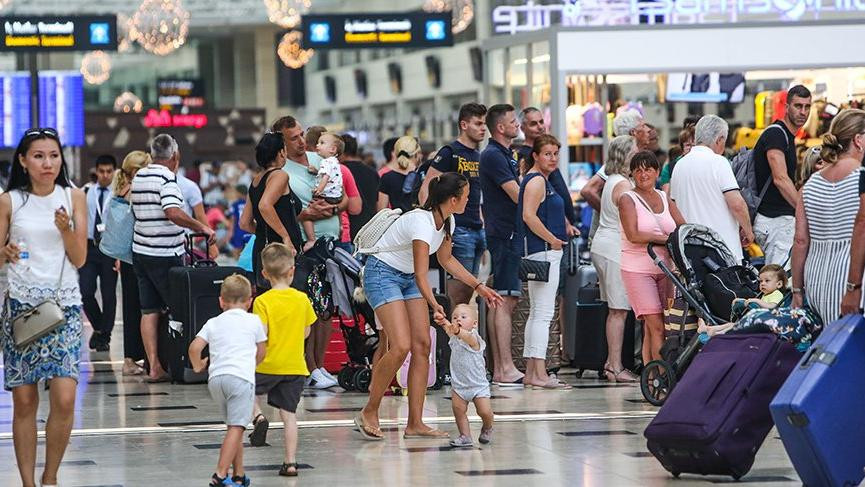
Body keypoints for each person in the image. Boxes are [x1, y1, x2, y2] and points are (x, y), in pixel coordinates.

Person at [354, 172, 502, 441]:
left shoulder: (448, 221)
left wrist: (479, 286)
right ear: (453, 199)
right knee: (400, 345)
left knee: (422, 345)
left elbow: (447, 261)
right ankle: (369, 410)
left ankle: (415, 423)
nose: (469, 201)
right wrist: (435, 305)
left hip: (408, 276)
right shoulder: (421, 223)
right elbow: (424, 275)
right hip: (382, 273)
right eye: (467, 197)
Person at [0, 127, 87, 487]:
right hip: (20, 306)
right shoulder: (9, 201)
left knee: (65, 398)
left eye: (53, 155)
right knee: (24, 401)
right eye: (38, 156)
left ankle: (50, 477)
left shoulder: (74, 196)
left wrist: (66, 229)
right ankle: (27, 482)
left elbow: (80, 257)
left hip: (63, 306)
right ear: (23, 160)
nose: (47, 163)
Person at [131, 134, 214, 382]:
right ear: (175, 157)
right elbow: (173, 212)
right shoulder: (167, 178)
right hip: (166, 254)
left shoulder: (139, 176)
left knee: (149, 311)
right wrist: (202, 227)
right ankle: (184, 364)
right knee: (179, 310)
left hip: (140, 251)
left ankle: (155, 366)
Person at [273, 115, 347, 390]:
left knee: (327, 307)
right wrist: (308, 213)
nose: (302, 141)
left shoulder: (322, 161)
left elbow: (346, 198)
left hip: (331, 242)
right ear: (282, 142)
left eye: (302, 134)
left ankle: (320, 364)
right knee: (309, 310)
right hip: (307, 244)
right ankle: (307, 365)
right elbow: (286, 211)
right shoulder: (284, 173)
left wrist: (332, 209)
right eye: (293, 138)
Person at [244, 243, 315, 477]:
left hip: (268, 363)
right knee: (289, 416)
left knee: (248, 389)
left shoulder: (262, 302)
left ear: (264, 274)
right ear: (292, 271)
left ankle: (258, 416)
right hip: (295, 365)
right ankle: (290, 463)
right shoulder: (302, 299)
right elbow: (306, 333)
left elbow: (260, 334)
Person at [188, 274, 266, 487]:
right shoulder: (253, 320)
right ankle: (220, 475)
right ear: (250, 301)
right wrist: (252, 365)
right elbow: (261, 351)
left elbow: (194, 348)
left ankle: (239, 474)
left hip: (216, 381)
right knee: (237, 427)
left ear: (221, 301)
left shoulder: (213, 322)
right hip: (241, 378)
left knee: (234, 426)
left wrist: (198, 366)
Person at [791, 109, 865, 321]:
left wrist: (797, 291)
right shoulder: (861, 178)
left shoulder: (810, 185)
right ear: (858, 140)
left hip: (816, 282)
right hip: (852, 280)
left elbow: (800, 240)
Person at [618, 151, 686, 364]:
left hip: (664, 269)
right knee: (655, 324)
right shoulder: (627, 199)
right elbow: (633, 234)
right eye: (638, 170)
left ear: (657, 172)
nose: (643, 174)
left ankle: (650, 376)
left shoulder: (665, 197)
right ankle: (662, 377)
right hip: (637, 269)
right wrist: (665, 239)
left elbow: (682, 227)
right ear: (632, 174)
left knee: (658, 326)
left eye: (648, 169)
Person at [517, 134, 571, 389]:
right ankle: (538, 373)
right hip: (544, 252)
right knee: (543, 313)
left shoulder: (538, 180)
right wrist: (553, 240)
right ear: (536, 156)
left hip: (543, 251)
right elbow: (529, 216)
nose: (553, 158)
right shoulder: (537, 181)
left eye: (555, 153)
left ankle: (532, 371)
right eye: (547, 153)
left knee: (537, 313)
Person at [419, 103, 487, 307]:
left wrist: (482, 222)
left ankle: (460, 334)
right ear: (464, 125)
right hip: (458, 229)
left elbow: (476, 194)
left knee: (468, 292)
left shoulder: (477, 155)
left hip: (476, 227)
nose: (483, 128)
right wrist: (433, 223)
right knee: (458, 293)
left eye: (484, 123)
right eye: (478, 123)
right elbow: (427, 187)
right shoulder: (450, 152)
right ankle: (450, 334)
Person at [479, 103, 525, 386]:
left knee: (509, 298)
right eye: (512, 121)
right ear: (500, 127)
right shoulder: (494, 156)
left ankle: (503, 367)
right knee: (504, 299)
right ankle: (504, 368)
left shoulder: (505, 154)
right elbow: (517, 194)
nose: (516, 123)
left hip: (508, 232)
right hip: (504, 233)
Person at [671, 115, 753, 262]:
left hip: (690, 250)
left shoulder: (679, 165)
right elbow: (737, 204)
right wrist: (748, 231)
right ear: (719, 139)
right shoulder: (719, 162)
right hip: (722, 250)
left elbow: (674, 206)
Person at [589, 135, 638, 382]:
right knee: (619, 310)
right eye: (635, 150)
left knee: (613, 309)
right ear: (626, 155)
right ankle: (616, 367)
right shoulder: (624, 186)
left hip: (602, 244)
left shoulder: (612, 181)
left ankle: (611, 362)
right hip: (614, 248)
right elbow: (633, 220)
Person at [753, 85, 812, 266]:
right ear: (786, 107)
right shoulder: (776, 134)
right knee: (780, 283)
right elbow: (780, 179)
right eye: (798, 106)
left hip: (779, 221)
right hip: (774, 221)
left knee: (783, 280)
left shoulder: (787, 136)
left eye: (807, 107)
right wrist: (804, 211)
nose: (803, 112)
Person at [239, 132, 304, 290]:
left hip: (262, 249)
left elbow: (244, 223)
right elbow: (265, 205)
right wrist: (285, 236)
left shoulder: (256, 180)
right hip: (282, 253)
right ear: (281, 152)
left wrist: (263, 232)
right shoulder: (280, 175)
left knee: (267, 301)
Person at [112, 151, 151, 376]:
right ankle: (132, 358)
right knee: (141, 306)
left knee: (135, 306)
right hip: (136, 254)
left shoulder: (121, 191)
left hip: (130, 255)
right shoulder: (132, 191)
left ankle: (136, 357)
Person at [440, 304, 494, 448]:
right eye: (455, 317)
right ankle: (465, 435)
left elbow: (465, 336)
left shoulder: (474, 338)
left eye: (464, 317)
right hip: (459, 386)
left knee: (484, 411)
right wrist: (443, 321)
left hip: (478, 386)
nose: (458, 319)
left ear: (474, 323)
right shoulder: (454, 337)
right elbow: (449, 330)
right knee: (458, 410)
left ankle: (488, 426)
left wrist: (457, 330)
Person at [80, 154, 119, 352]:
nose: (105, 175)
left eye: (109, 171)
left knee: (108, 293)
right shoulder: (85, 191)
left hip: (110, 248)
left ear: (114, 171)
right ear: (96, 171)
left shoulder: (119, 194)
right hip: (89, 247)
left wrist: (120, 254)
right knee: (85, 291)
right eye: (101, 171)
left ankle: (105, 335)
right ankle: (100, 329)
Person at [341, 133, 380, 240]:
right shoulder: (372, 172)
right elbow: (377, 203)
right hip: (370, 230)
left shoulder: (339, 172)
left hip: (349, 230)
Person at [378, 135, 421, 212]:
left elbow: (381, 210)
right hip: (419, 222)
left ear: (396, 153)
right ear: (416, 154)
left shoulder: (387, 177)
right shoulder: (423, 175)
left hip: (397, 222)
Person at [659, 125, 695, 193]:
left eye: (694, 145)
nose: (692, 148)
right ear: (682, 148)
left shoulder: (708, 164)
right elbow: (666, 195)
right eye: (688, 145)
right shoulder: (669, 168)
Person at [228, 184, 250, 258]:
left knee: (237, 250)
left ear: (239, 193)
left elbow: (233, 219)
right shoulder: (250, 203)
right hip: (248, 228)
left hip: (238, 229)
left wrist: (230, 232)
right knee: (248, 249)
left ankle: (237, 265)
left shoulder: (235, 204)